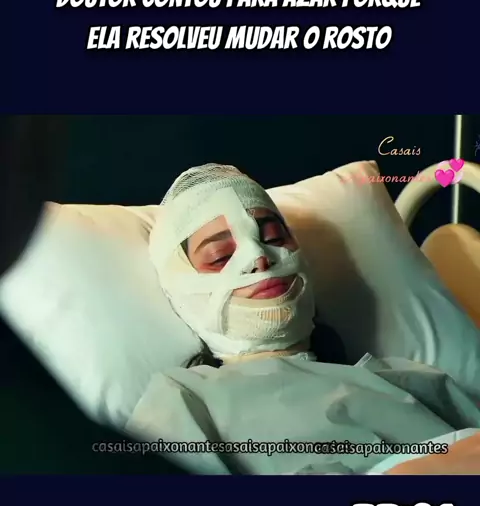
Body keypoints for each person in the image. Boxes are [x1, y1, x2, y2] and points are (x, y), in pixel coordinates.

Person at [124, 163, 480, 474]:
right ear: (180, 287)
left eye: (273, 237)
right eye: (220, 256)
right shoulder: (184, 401)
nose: (260, 257)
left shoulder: (409, 379)